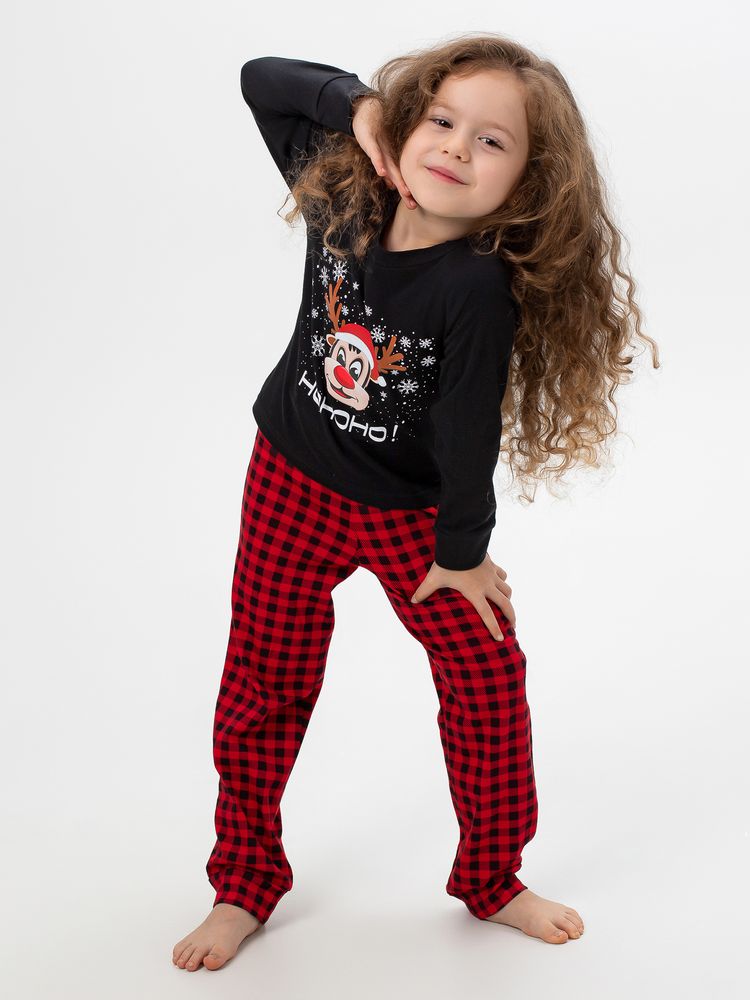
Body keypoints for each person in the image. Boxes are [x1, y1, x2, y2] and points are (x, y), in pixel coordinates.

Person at [173, 34, 658, 972]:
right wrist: (362, 108)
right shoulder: (348, 193)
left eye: (492, 141)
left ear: (525, 185)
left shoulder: (476, 287)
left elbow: (468, 433)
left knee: (487, 678)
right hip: (289, 478)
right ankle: (244, 880)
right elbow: (260, 81)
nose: (455, 147)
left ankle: (492, 879)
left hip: (411, 518)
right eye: (441, 120)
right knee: (263, 682)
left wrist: (463, 552)